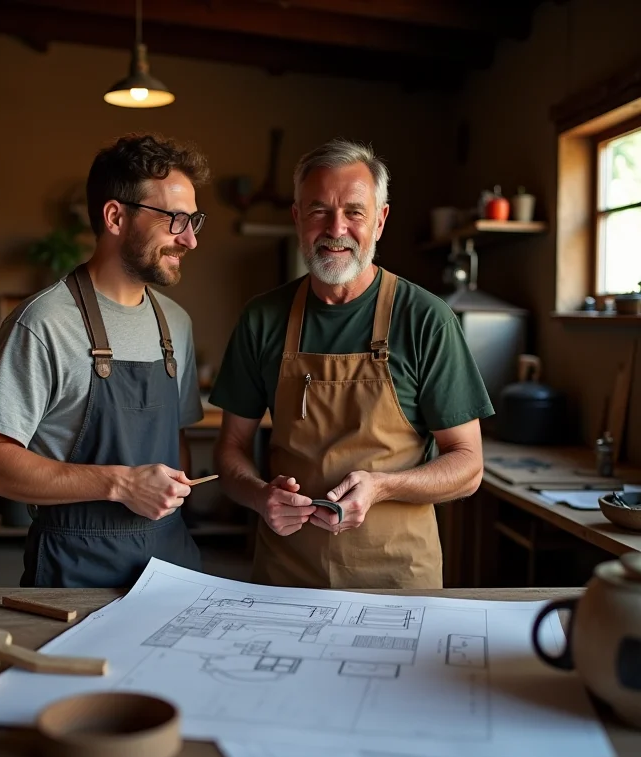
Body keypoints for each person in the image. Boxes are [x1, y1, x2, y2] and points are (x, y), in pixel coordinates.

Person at [209, 138, 493, 590]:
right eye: (319, 210)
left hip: (399, 578)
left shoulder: (425, 318)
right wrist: (262, 496)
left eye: (354, 212)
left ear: (380, 221)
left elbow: (468, 466)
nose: (336, 228)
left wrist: (382, 486)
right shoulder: (263, 318)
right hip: (286, 579)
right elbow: (230, 452)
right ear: (297, 219)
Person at [0, 133, 210, 588]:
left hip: (171, 562)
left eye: (194, 219)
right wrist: (121, 484)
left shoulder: (175, 324)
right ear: (116, 217)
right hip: (75, 568)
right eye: (176, 220)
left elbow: (176, 442)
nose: (190, 240)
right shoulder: (44, 323)